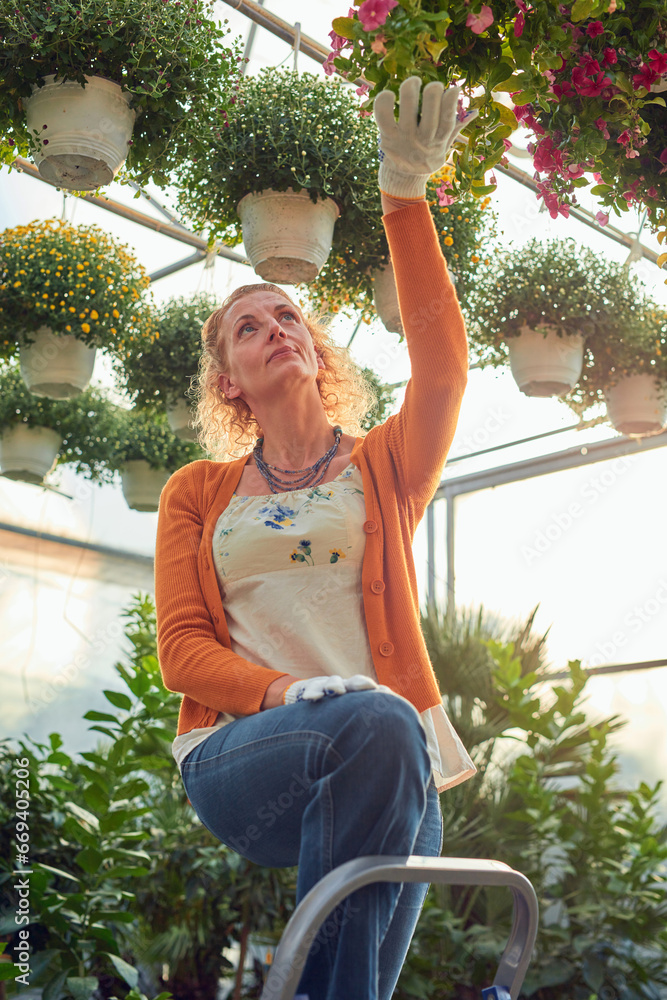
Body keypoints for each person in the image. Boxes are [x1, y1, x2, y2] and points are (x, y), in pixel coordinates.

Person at [155, 77, 478, 1000]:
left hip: (388, 765)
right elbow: (182, 654)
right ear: (229, 382)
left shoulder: (384, 469)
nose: (273, 328)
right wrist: (289, 690)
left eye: (286, 314)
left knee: (356, 979)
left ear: (317, 347)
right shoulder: (197, 493)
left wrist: (404, 198)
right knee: (372, 718)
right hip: (248, 754)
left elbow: (445, 371)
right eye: (246, 328)